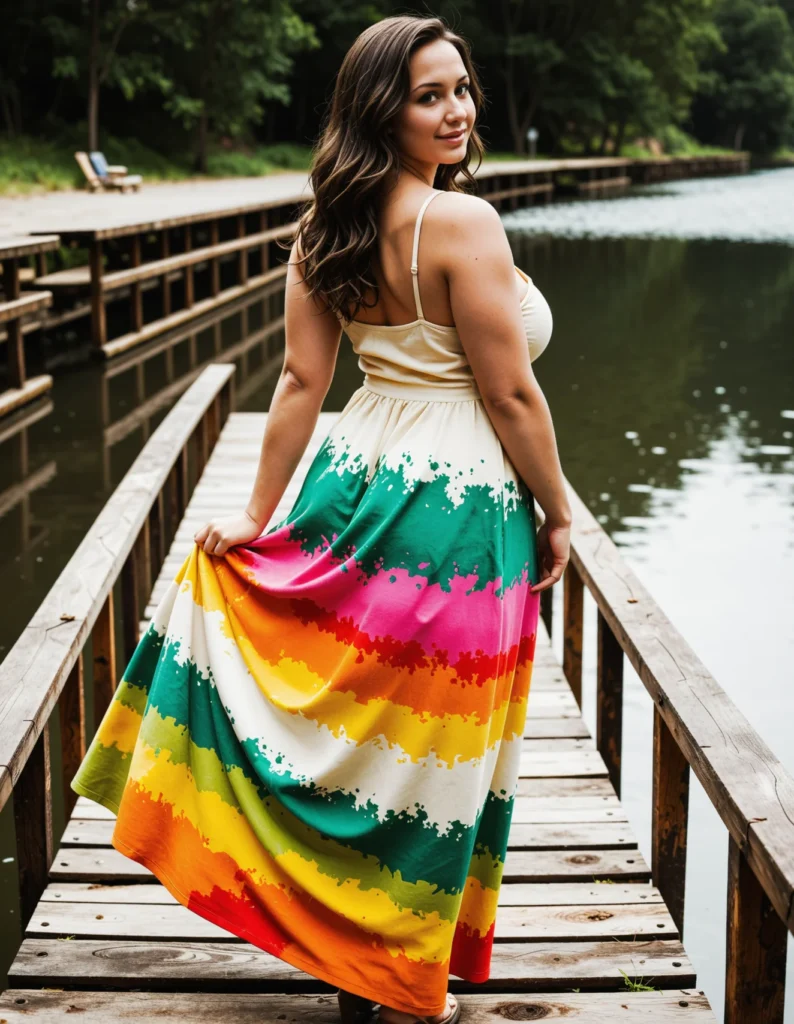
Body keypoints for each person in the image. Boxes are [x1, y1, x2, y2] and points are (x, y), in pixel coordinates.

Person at [71, 13, 571, 1024]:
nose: (455, 110)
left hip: (357, 476)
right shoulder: (460, 223)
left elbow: (303, 382)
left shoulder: (325, 223)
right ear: (379, 109)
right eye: (428, 94)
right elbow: (509, 395)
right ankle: (385, 959)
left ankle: (343, 948)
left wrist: (260, 518)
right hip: (456, 506)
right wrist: (556, 508)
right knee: (432, 746)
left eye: (460, 88)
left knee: (357, 730)